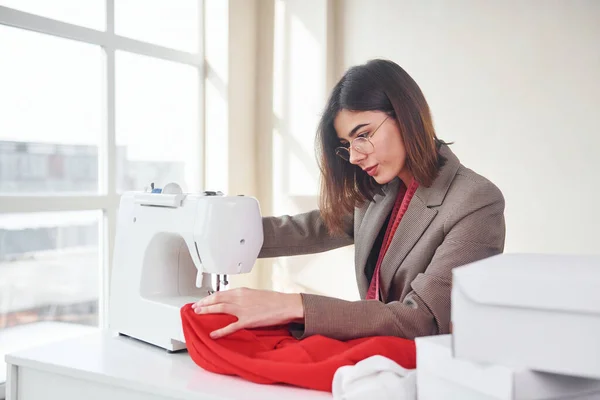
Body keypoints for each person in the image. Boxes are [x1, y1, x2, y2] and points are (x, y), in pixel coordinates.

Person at [192, 59, 506, 341]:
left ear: (406, 115)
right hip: (381, 359)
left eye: (363, 134)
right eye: (347, 144)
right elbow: (311, 229)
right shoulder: (381, 190)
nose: (354, 156)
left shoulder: (475, 201)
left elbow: (421, 319)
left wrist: (292, 304)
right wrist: (218, 233)